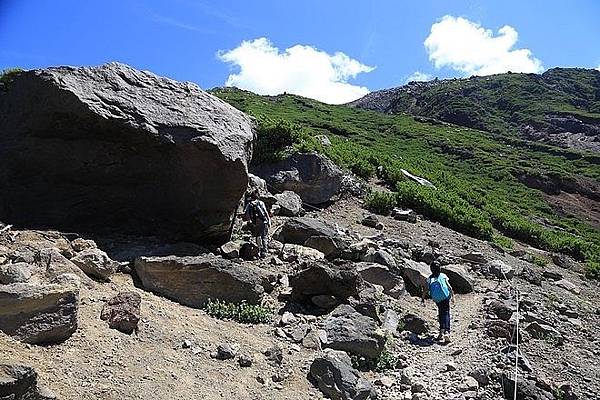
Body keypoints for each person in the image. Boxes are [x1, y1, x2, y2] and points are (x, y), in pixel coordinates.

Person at [422, 263, 454, 344]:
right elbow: (449, 287)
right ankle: (447, 331)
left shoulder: (429, 279)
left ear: (431, 269)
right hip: (445, 297)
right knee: (446, 313)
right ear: (439, 269)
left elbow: (426, 289)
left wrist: (422, 298)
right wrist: (452, 296)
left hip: (437, 299)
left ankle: (441, 332)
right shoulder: (443, 275)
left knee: (441, 313)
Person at [244, 191, 271, 258]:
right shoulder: (261, 203)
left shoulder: (249, 204)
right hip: (263, 221)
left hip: (255, 223)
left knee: (257, 236)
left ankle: (258, 251)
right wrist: (268, 221)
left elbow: (246, 214)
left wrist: (249, 221)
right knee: (264, 237)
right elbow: (265, 212)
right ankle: (264, 252)